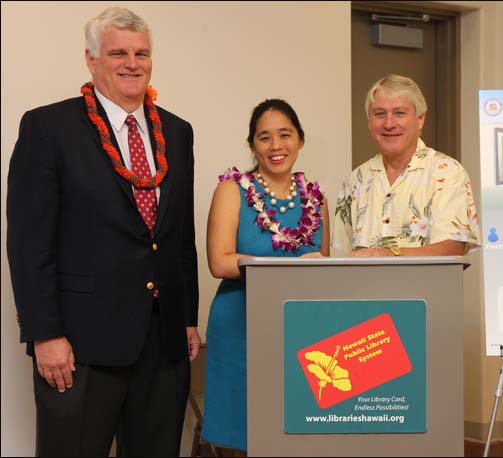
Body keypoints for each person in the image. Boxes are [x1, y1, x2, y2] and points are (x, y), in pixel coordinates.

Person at [6, 7, 199, 457]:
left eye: (141, 53)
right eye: (118, 53)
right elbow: (28, 243)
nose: (132, 63)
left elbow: (178, 235)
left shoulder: (177, 131)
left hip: (162, 340)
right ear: (92, 60)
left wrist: (186, 315)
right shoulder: (48, 127)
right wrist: (45, 333)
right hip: (79, 342)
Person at [203, 98, 329, 454]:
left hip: (300, 328)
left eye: (285, 135)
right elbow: (219, 262)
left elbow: (321, 267)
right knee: (243, 430)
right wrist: (283, 266)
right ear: (252, 145)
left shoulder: (315, 200)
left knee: (296, 431)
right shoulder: (233, 191)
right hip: (241, 325)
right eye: (264, 137)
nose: (276, 146)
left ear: (300, 140)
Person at [333, 74, 480, 256]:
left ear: (420, 119)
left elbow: (452, 249)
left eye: (399, 113)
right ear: (369, 122)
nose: (389, 123)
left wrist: (388, 254)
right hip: (361, 285)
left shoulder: (447, 172)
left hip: (425, 285)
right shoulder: (356, 179)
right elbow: (340, 255)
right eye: (379, 114)